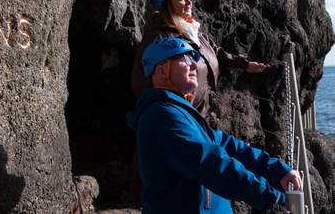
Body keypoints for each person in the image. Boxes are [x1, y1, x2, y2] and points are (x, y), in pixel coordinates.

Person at [127, 37, 301, 213]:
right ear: (161, 71)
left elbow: (225, 143)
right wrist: (275, 197)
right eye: (185, 59)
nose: (194, 65)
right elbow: (211, 164)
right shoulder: (162, 116)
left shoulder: (179, 111)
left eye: (194, 58)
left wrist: (274, 168)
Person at [131, 0, 267, 119]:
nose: (189, 2)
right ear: (167, 5)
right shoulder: (159, 38)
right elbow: (141, 81)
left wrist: (245, 64)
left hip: (204, 116)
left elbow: (218, 54)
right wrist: (167, 111)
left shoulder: (198, 35)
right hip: (180, 117)